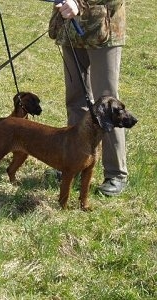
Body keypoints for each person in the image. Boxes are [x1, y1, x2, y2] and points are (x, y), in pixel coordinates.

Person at [48, 0, 128, 196]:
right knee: (75, 101)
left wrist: (79, 3)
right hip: (71, 31)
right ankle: (75, 163)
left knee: (108, 105)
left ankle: (116, 173)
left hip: (103, 28)